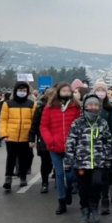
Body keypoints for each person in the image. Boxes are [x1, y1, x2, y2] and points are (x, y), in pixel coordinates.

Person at [66, 94, 112, 223]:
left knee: (97, 183)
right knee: (83, 188)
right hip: (82, 162)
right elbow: (71, 142)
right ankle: (85, 210)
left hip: (99, 162)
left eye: (95, 105)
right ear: (85, 106)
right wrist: (69, 160)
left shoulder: (102, 123)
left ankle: (94, 205)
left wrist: (108, 158)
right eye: (90, 105)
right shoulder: (78, 123)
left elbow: (108, 141)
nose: (93, 107)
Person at [40, 82, 81, 214]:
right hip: (54, 146)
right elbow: (44, 126)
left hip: (71, 147)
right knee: (59, 174)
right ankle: (61, 201)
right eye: (63, 91)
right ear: (58, 92)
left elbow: (79, 125)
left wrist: (76, 141)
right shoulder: (50, 107)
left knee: (70, 175)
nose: (66, 93)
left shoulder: (75, 107)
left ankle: (69, 190)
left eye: (68, 91)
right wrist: (49, 140)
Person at [92, 79, 112, 215]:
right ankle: (95, 199)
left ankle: (105, 199)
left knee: (106, 173)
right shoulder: (88, 107)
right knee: (95, 175)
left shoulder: (109, 108)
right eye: (98, 90)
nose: (100, 93)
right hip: (92, 146)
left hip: (107, 145)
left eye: (102, 90)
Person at [0, 82, 36, 191]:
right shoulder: (8, 104)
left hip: (26, 136)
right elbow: (3, 120)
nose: (22, 92)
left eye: (24, 90)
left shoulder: (31, 104)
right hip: (11, 136)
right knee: (11, 158)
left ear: (27, 92)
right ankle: (8, 178)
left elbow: (34, 121)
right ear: (15, 91)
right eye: (20, 90)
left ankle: (23, 176)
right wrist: (3, 134)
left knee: (24, 158)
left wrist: (32, 137)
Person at [28, 88, 54, 194]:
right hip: (42, 137)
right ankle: (44, 183)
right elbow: (34, 124)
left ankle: (52, 173)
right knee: (45, 160)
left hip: (55, 137)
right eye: (50, 95)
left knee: (52, 161)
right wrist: (31, 138)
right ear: (46, 96)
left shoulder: (59, 107)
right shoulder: (40, 108)